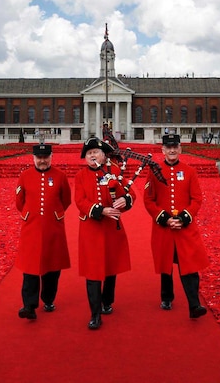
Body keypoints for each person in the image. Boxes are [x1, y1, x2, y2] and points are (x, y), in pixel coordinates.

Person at [143, 133, 210, 318]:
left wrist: (183, 218)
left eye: (175, 147)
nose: (172, 150)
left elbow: (196, 199)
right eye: (168, 147)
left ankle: (194, 305)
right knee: (166, 266)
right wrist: (164, 218)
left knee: (189, 265)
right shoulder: (154, 171)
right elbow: (148, 200)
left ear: (180, 149)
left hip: (184, 228)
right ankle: (166, 297)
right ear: (162, 150)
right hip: (163, 227)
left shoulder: (189, 171)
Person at [74, 136, 133, 330]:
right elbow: (80, 201)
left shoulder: (114, 172)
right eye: (89, 153)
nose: (92, 156)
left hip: (111, 229)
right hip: (91, 229)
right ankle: (95, 313)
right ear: (85, 158)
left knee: (110, 268)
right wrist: (100, 211)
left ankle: (107, 302)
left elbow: (130, 193)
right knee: (92, 271)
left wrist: (125, 200)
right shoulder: (80, 176)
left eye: (95, 153)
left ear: (103, 155)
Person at [15, 143, 71, 320]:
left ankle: (48, 299)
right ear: (33, 158)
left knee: (52, 266)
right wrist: (31, 214)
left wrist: (55, 213)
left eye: (45, 157)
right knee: (30, 267)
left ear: (51, 157)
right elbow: (19, 201)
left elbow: (66, 200)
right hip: (31, 227)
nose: (42, 161)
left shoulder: (60, 176)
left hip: (53, 227)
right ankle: (29, 306)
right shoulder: (24, 176)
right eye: (39, 158)